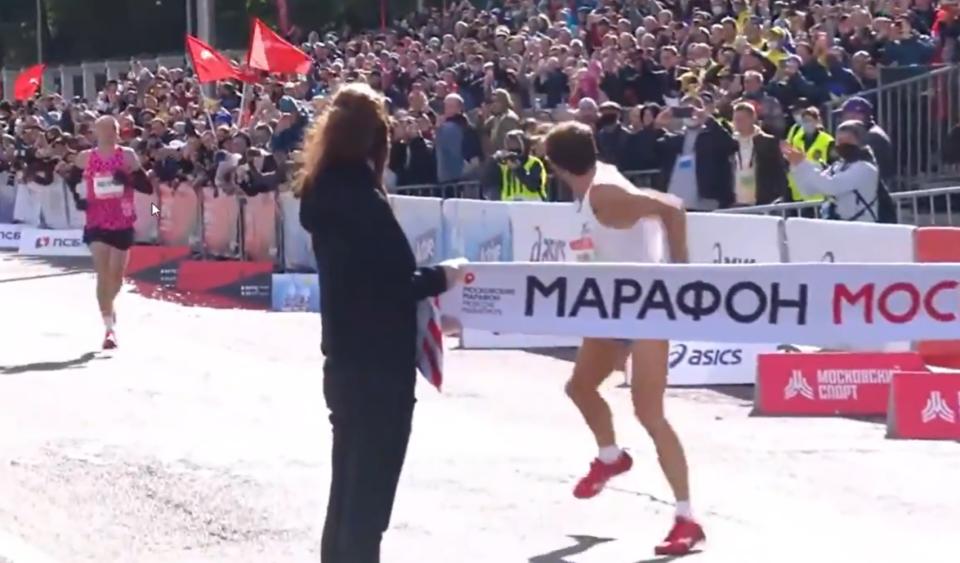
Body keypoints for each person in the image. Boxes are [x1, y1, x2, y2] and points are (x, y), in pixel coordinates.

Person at [295, 83, 465, 563]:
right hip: (379, 369)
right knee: (368, 507)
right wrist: (443, 276)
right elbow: (394, 281)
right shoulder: (364, 203)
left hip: (345, 362)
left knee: (346, 497)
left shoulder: (322, 193)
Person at [543, 121, 705, 556]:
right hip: (613, 306)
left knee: (649, 413)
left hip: (647, 307)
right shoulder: (594, 183)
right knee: (579, 386)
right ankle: (612, 457)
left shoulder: (604, 194)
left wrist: (680, 274)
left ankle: (688, 519)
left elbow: (672, 208)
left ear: (557, 166)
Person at [66, 115, 151, 349]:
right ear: (95, 132)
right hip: (96, 221)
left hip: (122, 221)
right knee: (103, 274)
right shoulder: (85, 158)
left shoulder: (127, 156)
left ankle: (109, 309)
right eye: (103, 129)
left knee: (116, 278)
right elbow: (71, 181)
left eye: (111, 129)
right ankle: (109, 329)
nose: (107, 133)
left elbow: (147, 187)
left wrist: (128, 177)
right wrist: (79, 199)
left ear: (117, 132)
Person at [782, 120, 881, 222]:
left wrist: (803, 164)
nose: (841, 145)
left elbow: (832, 186)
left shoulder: (865, 168)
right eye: (839, 140)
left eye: (846, 141)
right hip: (838, 228)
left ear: (860, 142)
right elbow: (809, 190)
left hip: (860, 229)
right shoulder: (838, 166)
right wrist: (797, 166)